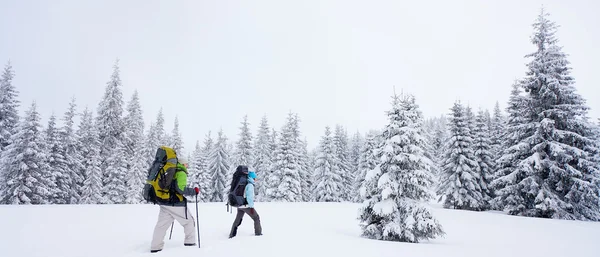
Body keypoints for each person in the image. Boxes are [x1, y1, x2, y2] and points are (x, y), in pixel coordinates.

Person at [150, 155, 199, 253]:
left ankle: (155, 246)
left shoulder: (170, 171)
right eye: (186, 163)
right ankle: (190, 242)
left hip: (164, 202)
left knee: (161, 226)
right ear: (182, 163)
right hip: (175, 203)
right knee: (189, 221)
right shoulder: (181, 172)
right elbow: (180, 189)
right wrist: (194, 191)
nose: (187, 165)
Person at [229, 169, 263, 238]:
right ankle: (258, 234)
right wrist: (251, 207)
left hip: (240, 205)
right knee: (256, 218)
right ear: (252, 178)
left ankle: (232, 234)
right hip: (246, 205)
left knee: (237, 220)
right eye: (255, 178)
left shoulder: (245, 183)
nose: (256, 179)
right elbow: (249, 197)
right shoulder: (250, 185)